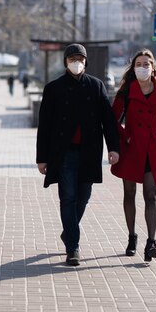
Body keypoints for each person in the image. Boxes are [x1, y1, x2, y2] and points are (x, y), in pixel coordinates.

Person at [36, 43, 120, 266]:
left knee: (83, 196)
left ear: (86, 62)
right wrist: (41, 158)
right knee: (68, 197)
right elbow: (44, 125)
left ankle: (68, 231)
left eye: (80, 59)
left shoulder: (96, 86)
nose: (77, 62)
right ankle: (73, 247)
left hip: (89, 152)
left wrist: (113, 148)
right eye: (73, 58)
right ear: (66, 62)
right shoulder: (53, 88)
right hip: (64, 153)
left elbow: (108, 121)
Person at [110, 49, 156, 262]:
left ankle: (151, 242)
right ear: (133, 67)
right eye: (139, 64)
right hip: (131, 149)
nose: (143, 67)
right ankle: (131, 237)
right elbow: (112, 120)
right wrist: (124, 138)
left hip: (152, 150)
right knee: (129, 194)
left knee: (151, 195)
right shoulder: (127, 91)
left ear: (153, 67)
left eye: (147, 64)